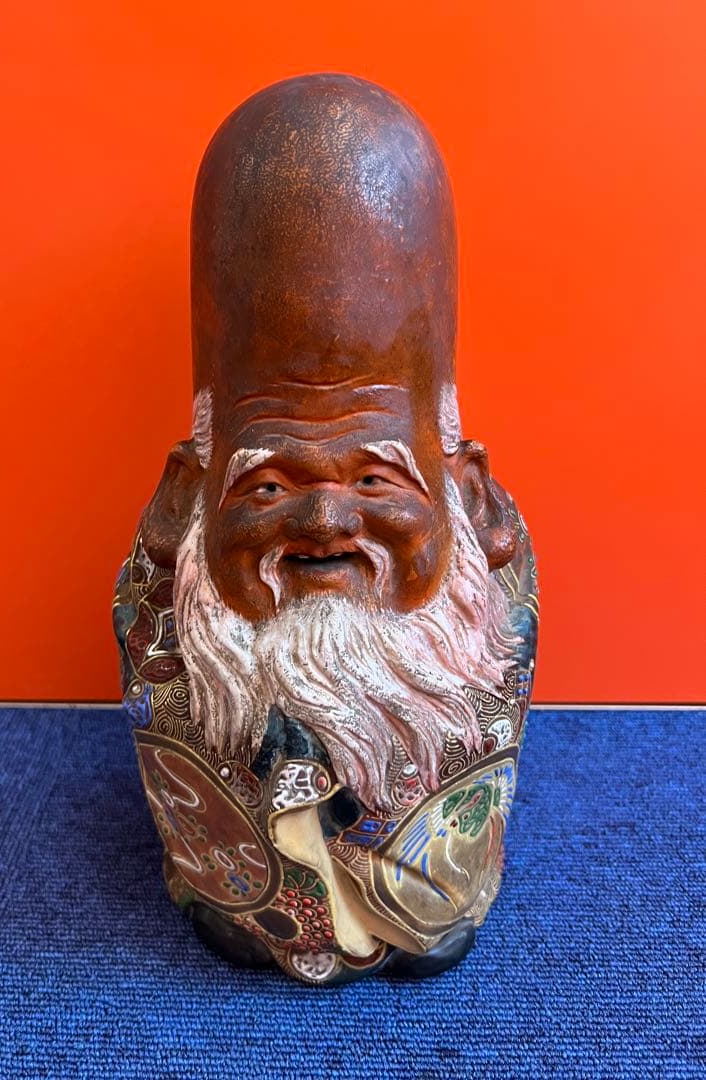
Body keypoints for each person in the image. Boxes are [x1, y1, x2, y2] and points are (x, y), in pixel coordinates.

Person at [114, 73, 538, 985]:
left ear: (466, 490)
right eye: (268, 484)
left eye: (375, 477)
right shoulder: (166, 619)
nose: (325, 523)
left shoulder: (485, 615)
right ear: (188, 495)